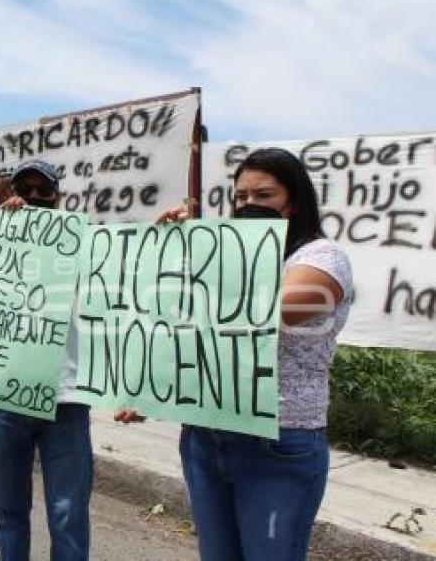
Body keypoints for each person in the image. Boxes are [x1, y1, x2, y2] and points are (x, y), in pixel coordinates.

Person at [119, 148, 353, 561]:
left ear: (293, 201)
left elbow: (262, 313)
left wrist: (198, 258)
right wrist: (169, 252)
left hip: (278, 442)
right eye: (240, 197)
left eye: (263, 196)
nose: (248, 206)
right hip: (206, 437)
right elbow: (182, 328)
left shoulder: (320, 258)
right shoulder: (225, 257)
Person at [0, 159, 93, 561]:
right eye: (25, 189)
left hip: (65, 401)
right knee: (10, 510)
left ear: (58, 197)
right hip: (3, 400)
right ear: (9, 194)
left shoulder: (82, 241)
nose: (34, 198)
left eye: (43, 190)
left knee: (68, 513)